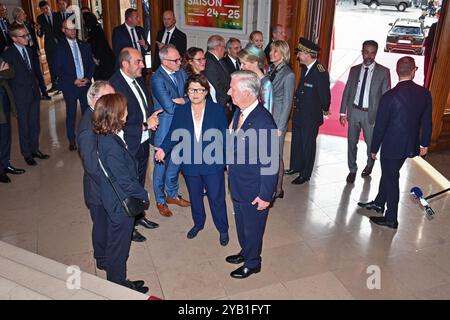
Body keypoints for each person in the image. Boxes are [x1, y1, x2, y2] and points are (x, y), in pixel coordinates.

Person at [358, 56, 432, 229]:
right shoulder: (424, 93)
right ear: (414, 71)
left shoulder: (389, 96)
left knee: (391, 178)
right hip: (410, 144)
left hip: (391, 146)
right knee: (389, 174)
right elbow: (427, 122)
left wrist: (374, 148)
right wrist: (424, 144)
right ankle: (378, 203)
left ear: (397, 72)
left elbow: (380, 126)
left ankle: (391, 218)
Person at [155, 74, 229, 245]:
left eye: (199, 90)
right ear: (186, 92)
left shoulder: (216, 110)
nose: (195, 93)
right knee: (195, 197)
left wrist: (227, 161)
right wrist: (163, 150)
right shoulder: (181, 111)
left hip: (213, 163)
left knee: (216, 198)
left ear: (206, 92)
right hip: (189, 164)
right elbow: (173, 134)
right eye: (191, 90)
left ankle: (222, 228)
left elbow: (225, 137)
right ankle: (198, 223)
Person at [92, 93, 150, 293]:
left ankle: (119, 280)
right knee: (119, 248)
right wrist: (143, 194)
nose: (127, 112)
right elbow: (124, 180)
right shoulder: (110, 145)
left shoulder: (107, 136)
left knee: (117, 245)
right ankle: (118, 285)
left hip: (112, 200)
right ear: (116, 115)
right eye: (124, 109)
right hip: (119, 205)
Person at [226, 70, 278, 279]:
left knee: (253, 226)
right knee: (241, 222)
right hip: (239, 182)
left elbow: (270, 164)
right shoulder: (241, 111)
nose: (229, 92)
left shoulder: (263, 123)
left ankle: (253, 262)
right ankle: (245, 251)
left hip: (254, 188)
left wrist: (266, 196)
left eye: (233, 89)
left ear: (248, 93)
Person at [109, 48, 161, 242]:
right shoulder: (114, 86)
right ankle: (129, 227)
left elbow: (144, 107)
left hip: (142, 140)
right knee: (128, 185)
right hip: (128, 144)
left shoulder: (138, 78)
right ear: (125, 64)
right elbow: (116, 122)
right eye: (138, 62)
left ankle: (138, 216)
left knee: (139, 181)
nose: (143, 65)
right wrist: (146, 125)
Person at [339, 40, 391, 183]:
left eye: (372, 53)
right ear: (362, 52)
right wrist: (343, 112)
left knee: (371, 144)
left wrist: (383, 118)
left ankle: (369, 165)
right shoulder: (354, 69)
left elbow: (387, 98)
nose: (369, 56)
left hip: (371, 114)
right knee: (351, 143)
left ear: (375, 54)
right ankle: (352, 169)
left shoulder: (383, 72)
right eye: (366, 52)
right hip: (354, 111)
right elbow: (347, 91)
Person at [77, 81, 114, 271]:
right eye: (109, 97)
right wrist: (113, 186)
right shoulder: (86, 128)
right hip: (98, 190)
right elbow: (92, 167)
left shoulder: (99, 116)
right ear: (95, 99)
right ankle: (102, 258)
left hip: (105, 187)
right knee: (101, 225)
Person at [151, 44, 190, 218]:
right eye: (176, 60)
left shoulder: (181, 72)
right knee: (161, 167)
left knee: (176, 164)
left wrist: (182, 99)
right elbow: (169, 107)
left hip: (181, 127)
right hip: (165, 129)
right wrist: (183, 101)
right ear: (164, 61)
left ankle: (172, 194)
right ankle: (160, 200)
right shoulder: (157, 79)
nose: (180, 62)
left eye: (180, 59)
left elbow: (194, 94)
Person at [2, 24, 50, 166]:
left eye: (27, 34)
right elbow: (6, 79)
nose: (27, 38)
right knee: (24, 126)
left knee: (35, 124)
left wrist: (41, 89)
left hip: (33, 92)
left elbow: (34, 72)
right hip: (19, 96)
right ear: (14, 38)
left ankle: (35, 149)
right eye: (23, 36)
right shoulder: (7, 55)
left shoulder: (29, 51)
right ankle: (27, 154)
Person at [286, 37, 331, 185]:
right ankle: (296, 167)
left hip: (310, 116)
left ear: (307, 54)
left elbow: (325, 95)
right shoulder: (307, 69)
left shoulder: (320, 71)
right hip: (300, 112)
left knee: (307, 144)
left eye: (300, 53)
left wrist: (325, 108)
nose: (298, 56)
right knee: (297, 142)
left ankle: (305, 174)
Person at [53, 19, 95, 151]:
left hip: (85, 84)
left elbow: (90, 64)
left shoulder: (85, 45)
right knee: (71, 113)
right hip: (70, 86)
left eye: (74, 29)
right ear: (63, 30)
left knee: (87, 112)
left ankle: (88, 137)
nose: (72, 31)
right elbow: (56, 69)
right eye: (69, 29)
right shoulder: (59, 48)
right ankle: (72, 140)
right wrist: (73, 80)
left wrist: (87, 78)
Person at [268, 40, 295, 199]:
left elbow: (287, 103)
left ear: (283, 54)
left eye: (275, 52)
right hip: (268, 115)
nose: (271, 54)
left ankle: (278, 188)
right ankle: (271, 185)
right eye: (271, 51)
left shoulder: (289, 74)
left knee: (276, 155)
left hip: (278, 119)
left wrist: (281, 125)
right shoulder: (272, 69)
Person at [0, 59, 26, 183]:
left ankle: (6, 164)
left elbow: (11, 72)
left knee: (6, 137)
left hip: (4, 103)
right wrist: (1, 73)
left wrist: (3, 72)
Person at [204, 35, 233, 122]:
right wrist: (229, 96)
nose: (225, 50)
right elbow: (216, 85)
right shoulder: (209, 61)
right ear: (219, 47)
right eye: (224, 47)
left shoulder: (218, 60)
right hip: (219, 104)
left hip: (224, 103)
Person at [112, 8, 150, 74]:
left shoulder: (140, 30)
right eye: (136, 17)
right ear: (129, 19)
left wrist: (145, 45)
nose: (139, 19)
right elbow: (117, 51)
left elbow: (148, 48)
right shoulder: (118, 31)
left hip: (140, 67)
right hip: (127, 68)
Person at [238, 43, 273, 113]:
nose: (241, 67)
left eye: (244, 63)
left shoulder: (265, 84)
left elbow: (266, 112)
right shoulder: (249, 80)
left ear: (255, 63)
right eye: (240, 63)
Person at [36, 1, 60, 93]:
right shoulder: (40, 18)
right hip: (49, 45)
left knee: (61, 64)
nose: (45, 10)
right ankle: (54, 85)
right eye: (42, 9)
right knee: (51, 65)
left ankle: (61, 84)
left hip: (59, 44)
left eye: (46, 8)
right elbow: (40, 34)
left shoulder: (57, 15)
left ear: (50, 7)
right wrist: (38, 31)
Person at [83, 11, 115, 80]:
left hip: (103, 62)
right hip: (105, 61)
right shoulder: (97, 29)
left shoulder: (95, 31)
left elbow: (97, 47)